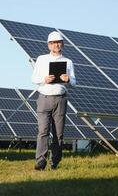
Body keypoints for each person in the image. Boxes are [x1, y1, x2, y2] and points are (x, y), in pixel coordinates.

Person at [32, 31, 76, 170]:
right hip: (44, 97)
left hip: (60, 99)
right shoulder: (41, 59)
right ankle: (40, 161)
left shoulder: (68, 62)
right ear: (48, 45)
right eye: (53, 42)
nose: (56, 45)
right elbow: (33, 79)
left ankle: (55, 161)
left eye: (58, 42)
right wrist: (44, 80)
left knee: (58, 133)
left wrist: (67, 79)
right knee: (43, 131)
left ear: (62, 44)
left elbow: (74, 82)